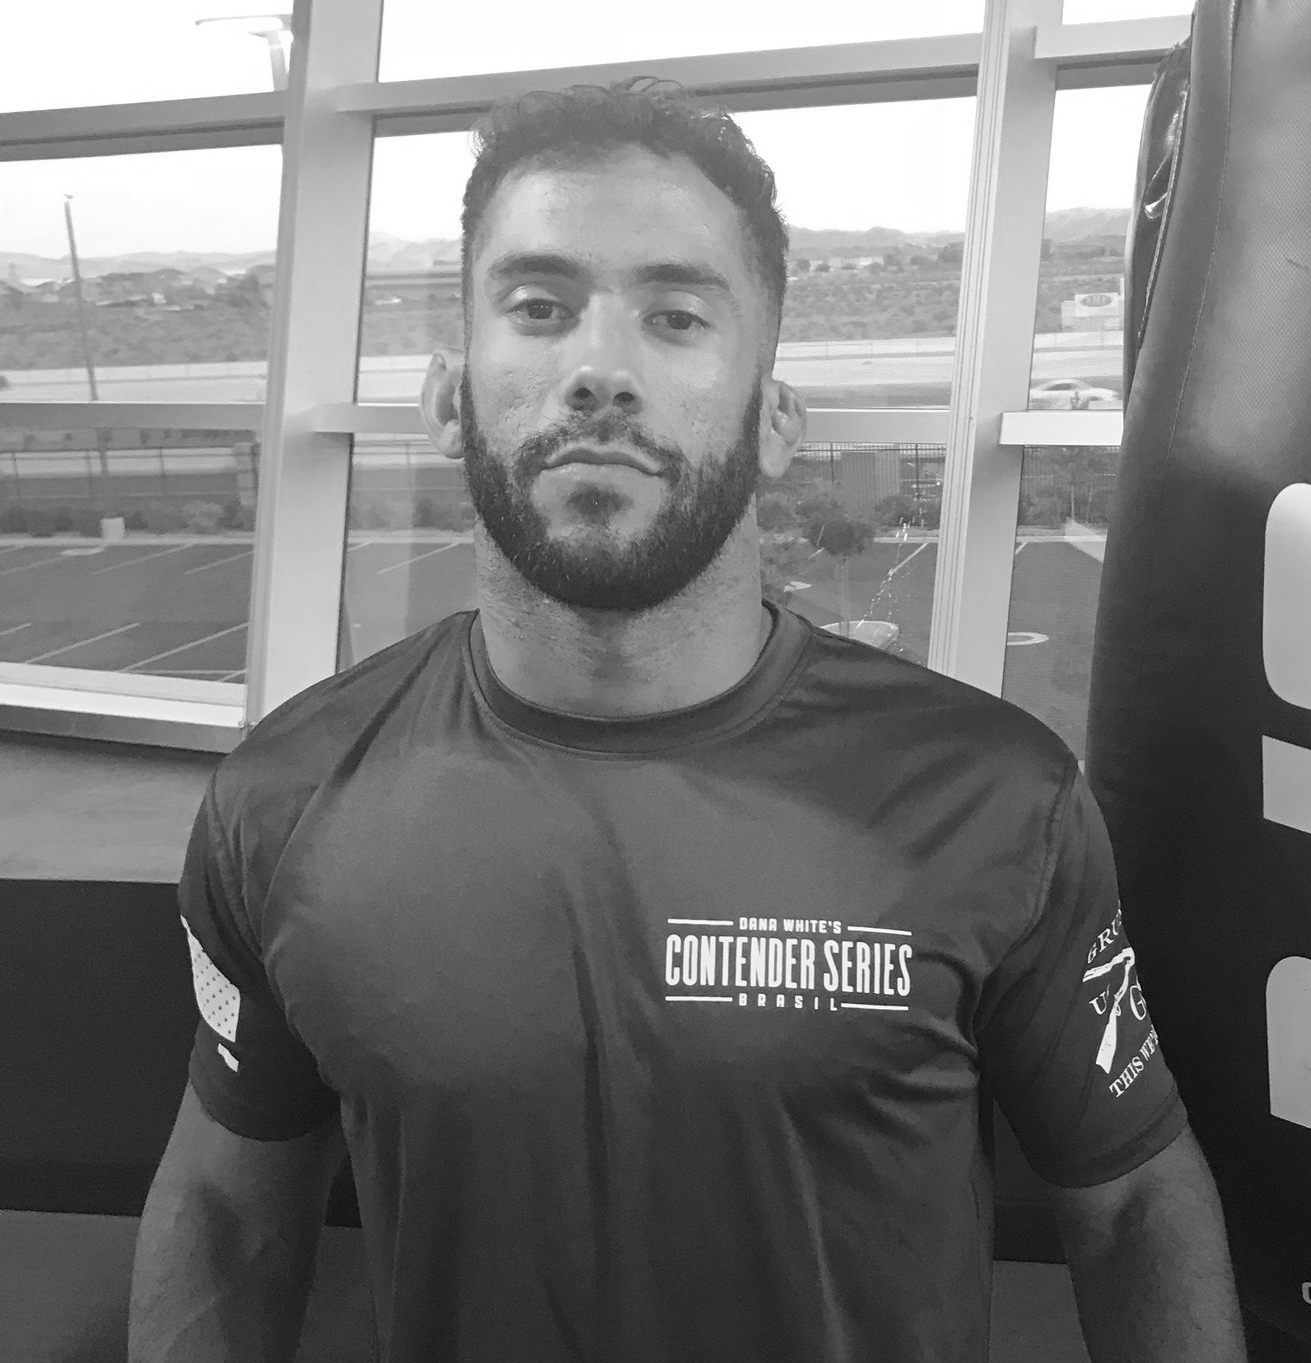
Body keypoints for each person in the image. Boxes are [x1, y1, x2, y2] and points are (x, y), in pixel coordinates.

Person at [128, 76, 1245, 1363]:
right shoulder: (287, 802)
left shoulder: (992, 797)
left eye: (673, 315)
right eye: (540, 308)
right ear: (448, 395)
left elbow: (1137, 1201)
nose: (600, 370)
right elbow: (222, 1198)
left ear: (774, 421)